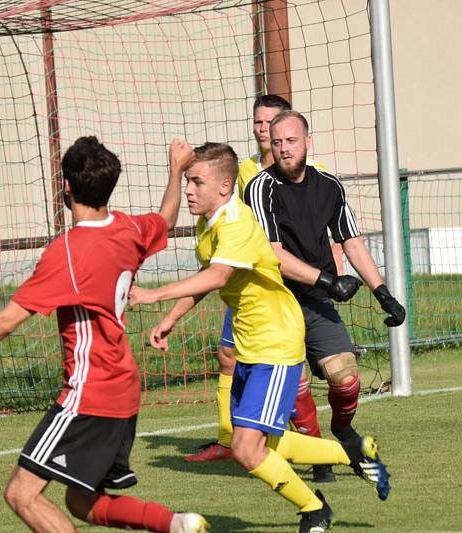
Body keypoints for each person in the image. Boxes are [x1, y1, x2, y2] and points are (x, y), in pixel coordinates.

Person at [0, 136, 209, 533]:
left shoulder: (69, 252)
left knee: (21, 494)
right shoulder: (129, 228)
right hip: (123, 388)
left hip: (90, 391)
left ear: (65, 186)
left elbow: (7, 320)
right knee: (82, 502)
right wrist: (175, 169)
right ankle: (176, 524)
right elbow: (166, 219)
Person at [130, 142, 390, 533]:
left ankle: (315, 511)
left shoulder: (234, 222)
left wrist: (152, 294)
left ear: (224, 187)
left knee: (246, 449)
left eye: (197, 181)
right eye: (187, 181)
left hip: (275, 341)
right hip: (250, 342)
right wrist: (170, 319)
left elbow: (217, 277)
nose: (189, 190)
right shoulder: (208, 223)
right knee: (260, 443)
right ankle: (351, 451)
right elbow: (207, 281)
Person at [243, 110, 406, 475]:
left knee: (346, 376)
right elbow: (272, 253)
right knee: (294, 382)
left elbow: (351, 241)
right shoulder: (259, 187)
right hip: (273, 299)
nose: (284, 149)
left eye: (291, 141)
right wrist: (329, 281)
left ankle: (342, 428)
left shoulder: (329, 186)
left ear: (306, 142)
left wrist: (383, 293)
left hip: (314, 299)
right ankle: (317, 455)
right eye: (277, 141)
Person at [182, 95, 339, 472]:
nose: (264, 130)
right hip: (244, 279)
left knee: (298, 372)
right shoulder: (245, 169)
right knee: (227, 356)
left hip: (282, 287)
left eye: (271, 122)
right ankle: (230, 438)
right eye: (258, 123)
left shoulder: (309, 172)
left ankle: (315, 450)